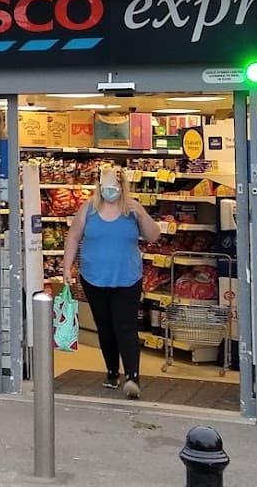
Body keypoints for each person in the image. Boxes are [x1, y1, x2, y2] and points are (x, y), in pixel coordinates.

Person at [61, 165, 161, 399]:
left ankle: (133, 377)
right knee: (105, 327)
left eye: (114, 186)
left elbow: (153, 236)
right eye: (105, 187)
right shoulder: (88, 209)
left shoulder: (132, 209)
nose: (110, 191)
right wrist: (67, 267)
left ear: (122, 186)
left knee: (126, 327)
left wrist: (142, 213)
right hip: (94, 278)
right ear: (99, 186)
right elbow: (73, 237)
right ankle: (112, 370)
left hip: (127, 278)